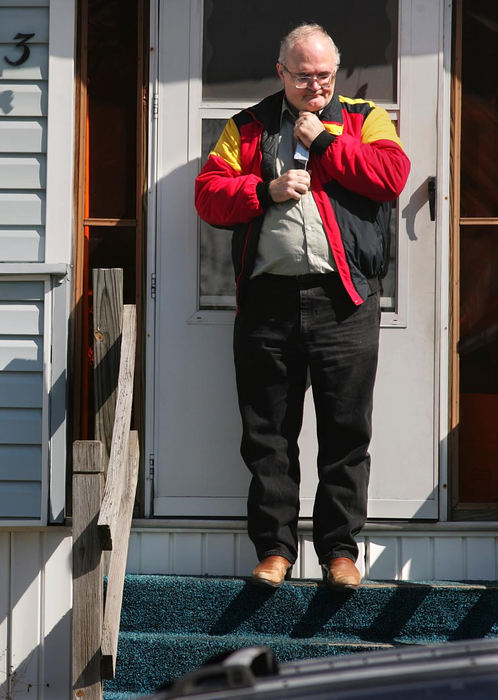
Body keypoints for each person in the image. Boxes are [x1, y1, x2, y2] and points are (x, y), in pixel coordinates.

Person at [194, 24, 410, 589]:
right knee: (267, 433)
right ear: (281, 73)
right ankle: (274, 551)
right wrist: (262, 192)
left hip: (344, 300)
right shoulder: (246, 126)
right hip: (267, 302)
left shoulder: (365, 118)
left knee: (345, 432)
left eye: (325, 76)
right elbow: (207, 195)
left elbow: (390, 176)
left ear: (335, 73)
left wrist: (324, 143)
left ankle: (340, 552)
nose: (316, 86)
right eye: (304, 76)